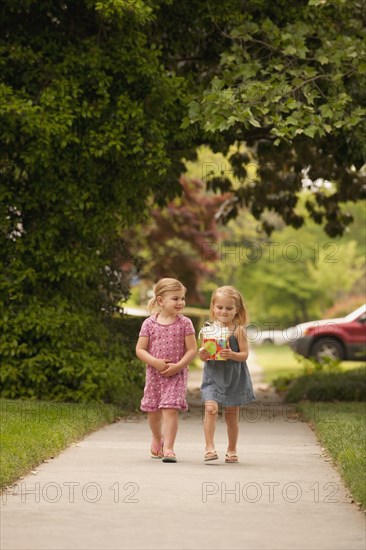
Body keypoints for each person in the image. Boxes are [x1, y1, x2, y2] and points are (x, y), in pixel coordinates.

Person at [136, 278, 197, 463]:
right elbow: (140, 350)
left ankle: (169, 449)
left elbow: (192, 350)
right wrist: (155, 362)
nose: (180, 303)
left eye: (182, 299)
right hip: (155, 374)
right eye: (175, 298)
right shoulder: (149, 324)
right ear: (161, 300)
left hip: (176, 374)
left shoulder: (185, 323)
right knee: (153, 410)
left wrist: (178, 366)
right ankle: (157, 438)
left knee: (170, 409)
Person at [199, 285, 256, 463]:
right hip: (213, 376)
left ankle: (232, 449)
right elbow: (204, 354)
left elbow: (244, 355)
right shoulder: (208, 330)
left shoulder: (239, 331)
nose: (224, 311)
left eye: (229, 308)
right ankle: (209, 448)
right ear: (213, 308)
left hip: (234, 377)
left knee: (231, 416)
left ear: (236, 309)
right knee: (210, 409)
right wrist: (202, 354)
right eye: (220, 307)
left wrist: (232, 355)